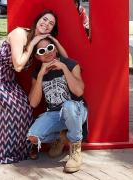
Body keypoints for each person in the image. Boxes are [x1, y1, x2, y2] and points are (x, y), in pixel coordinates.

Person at [0, 10, 69, 164]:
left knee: (25, 108)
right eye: (44, 19)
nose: (46, 24)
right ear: (37, 20)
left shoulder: (41, 43)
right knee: (14, 107)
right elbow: (19, 65)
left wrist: (55, 41)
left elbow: (66, 60)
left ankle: (22, 149)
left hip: (7, 78)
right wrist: (32, 43)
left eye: (51, 24)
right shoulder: (20, 34)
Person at [26, 37, 87, 173]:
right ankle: (61, 137)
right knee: (33, 136)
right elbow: (33, 103)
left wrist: (64, 68)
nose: (47, 52)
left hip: (76, 111)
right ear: (37, 56)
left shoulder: (71, 64)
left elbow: (79, 91)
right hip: (55, 114)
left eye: (50, 47)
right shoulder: (37, 73)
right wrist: (41, 75)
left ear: (55, 48)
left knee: (68, 106)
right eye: (42, 51)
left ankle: (75, 149)